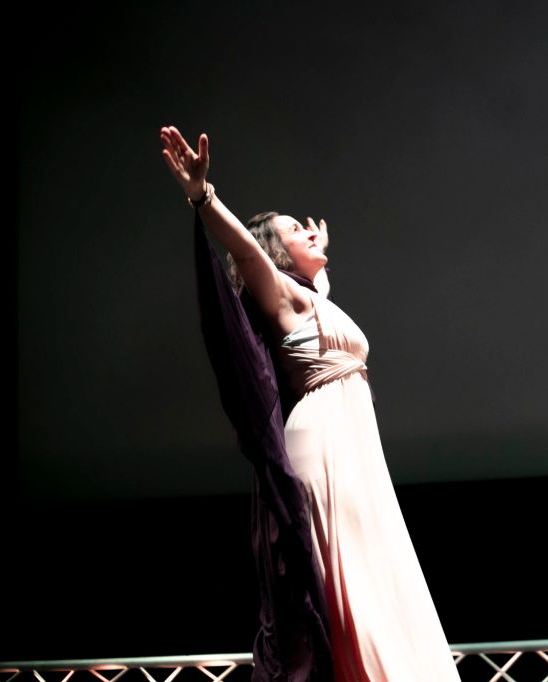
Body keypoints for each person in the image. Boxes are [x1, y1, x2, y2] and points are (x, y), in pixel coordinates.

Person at [159, 125, 460, 682]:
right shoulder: (283, 294)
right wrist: (203, 196)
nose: (309, 230)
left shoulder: (313, 297)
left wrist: (319, 263)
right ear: (278, 253)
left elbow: (319, 304)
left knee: (367, 565)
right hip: (324, 443)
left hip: (349, 443)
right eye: (294, 230)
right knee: (350, 568)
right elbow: (245, 250)